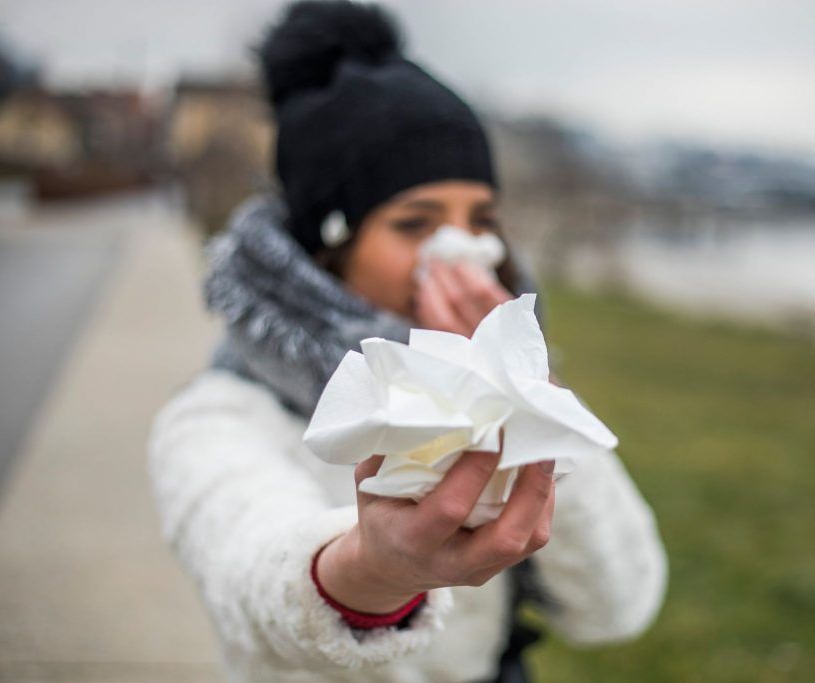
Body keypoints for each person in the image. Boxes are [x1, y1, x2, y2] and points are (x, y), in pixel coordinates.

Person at [146, 2, 668, 682]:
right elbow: (250, 561)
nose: (463, 250)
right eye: (416, 223)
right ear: (329, 248)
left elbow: (617, 606)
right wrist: (368, 574)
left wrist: (532, 402)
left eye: (482, 219)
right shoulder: (220, 416)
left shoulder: (506, 401)